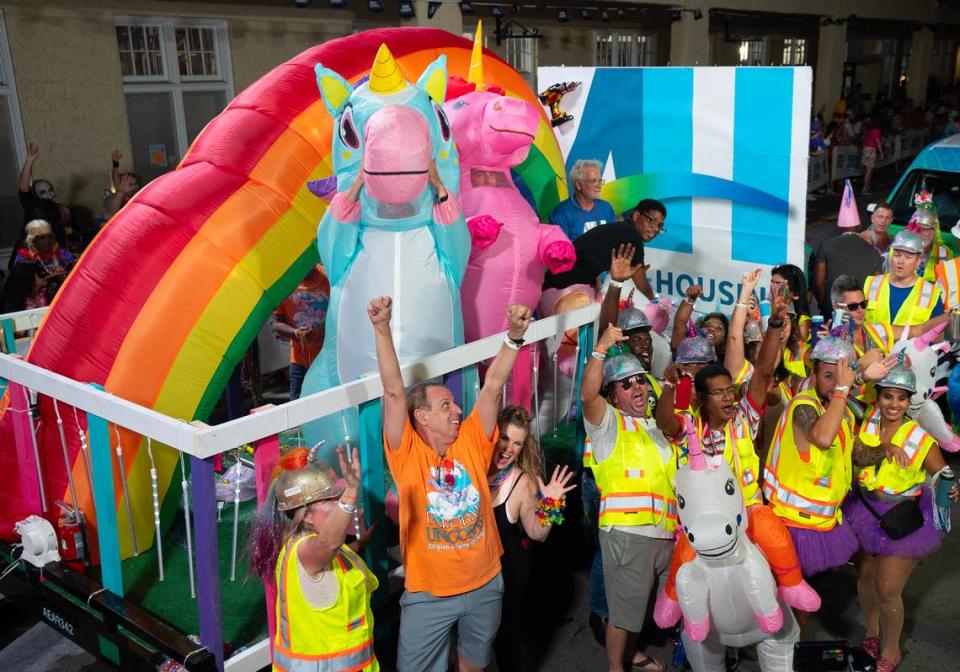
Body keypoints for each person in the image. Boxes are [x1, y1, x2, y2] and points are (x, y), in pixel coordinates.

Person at [373, 296, 532, 672]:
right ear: (422, 417)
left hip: (486, 584)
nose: (458, 409)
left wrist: (513, 337)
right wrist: (381, 329)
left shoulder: (473, 442)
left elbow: (492, 387)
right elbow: (395, 392)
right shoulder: (406, 454)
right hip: (430, 594)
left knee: (474, 664)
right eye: (446, 406)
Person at [655, 281, 821, 617]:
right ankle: (675, 611)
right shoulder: (689, 427)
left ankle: (790, 587)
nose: (730, 397)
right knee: (692, 580)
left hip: (748, 518)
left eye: (731, 390)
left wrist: (774, 324)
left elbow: (761, 373)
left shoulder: (745, 418)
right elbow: (664, 422)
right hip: (706, 526)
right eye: (719, 393)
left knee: (764, 563)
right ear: (702, 398)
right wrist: (672, 387)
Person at [843, 364, 959, 671]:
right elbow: (841, 398)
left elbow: (944, 474)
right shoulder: (867, 419)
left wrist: (952, 489)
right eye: (888, 397)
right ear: (878, 397)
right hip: (864, 511)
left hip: (902, 521)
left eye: (902, 398)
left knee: (887, 589)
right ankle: (872, 630)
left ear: (910, 402)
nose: (894, 404)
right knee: (865, 576)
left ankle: (891, 650)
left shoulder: (921, 438)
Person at [581, 327, 679, 672]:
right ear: (613, 396)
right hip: (627, 532)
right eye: (626, 384)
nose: (637, 387)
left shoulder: (656, 427)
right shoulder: (608, 424)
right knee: (623, 614)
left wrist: (668, 386)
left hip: (663, 533)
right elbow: (587, 395)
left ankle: (630, 656)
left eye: (639, 380)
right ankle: (615, 668)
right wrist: (600, 350)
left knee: (639, 608)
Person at [248, 445, 379, 672]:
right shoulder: (304, 550)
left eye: (339, 497)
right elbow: (329, 544)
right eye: (331, 500)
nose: (340, 505)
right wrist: (351, 492)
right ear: (307, 516)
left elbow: (336, 557)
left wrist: (360, 543)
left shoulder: (323, 549)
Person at [762, 335, 861, 608]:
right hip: (789, 524)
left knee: (804, 603)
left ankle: (794, 649)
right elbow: (822, 437)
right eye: (828, 375)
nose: (833, 383)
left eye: (839, 376)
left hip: (823, 524)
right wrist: (842, 388)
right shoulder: (802, 405)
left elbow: (858, 453)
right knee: (775, 600)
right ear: (814, 376)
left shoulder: (844, 412)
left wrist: (888, 448)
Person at [488, 405, 576, 672]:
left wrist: (552, 502)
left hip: (509, 573)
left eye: (517, 443)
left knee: (504, 637)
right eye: (504, 438)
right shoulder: (474, 469)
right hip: (476, 570)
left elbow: (538, 534)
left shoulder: (522, 483)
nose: (508, 449)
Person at [541, 199, 667, 312]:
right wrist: (656, 305)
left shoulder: (621, 230)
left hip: (552, 289)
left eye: (660, 226)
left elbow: (590, 258)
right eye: (651, 221)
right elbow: (642, 285)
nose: (655, 229)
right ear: (636, 216)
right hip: (563, 293)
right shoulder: (632, 238)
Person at [271, 264, 331, 400]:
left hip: (329, 357)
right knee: (297, 406)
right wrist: (296, 333)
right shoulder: (285, 285)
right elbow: (276, 323)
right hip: (300, 361)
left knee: (330, 403)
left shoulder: (329, 277)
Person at [864, 229, 944, 327]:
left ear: (918, 261)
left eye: (908, 257)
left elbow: (937, 334)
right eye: (897, 255)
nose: (900, 261)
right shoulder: (871, 284)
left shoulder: (931, 293)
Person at [812, 228, 883, 316]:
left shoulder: (826, 245)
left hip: (831, 310)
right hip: (860, 312)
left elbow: (819, 283)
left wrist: (824, 304)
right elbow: (876, 288)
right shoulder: (874, 253)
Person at [9, 219, 74, 309]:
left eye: (49, 237)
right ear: (33, 240)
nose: (47, 241)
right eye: (42, 238)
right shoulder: (24, 259)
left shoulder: (62, 254)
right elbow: (22, 286)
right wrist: (49, 278)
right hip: (36, 303)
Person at [549, 159, 617, 242]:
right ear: (578, 185)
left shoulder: (606, 208)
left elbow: (613, 239)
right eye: (593, 181)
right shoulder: (561, 213)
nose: (599, 186)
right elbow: (562, 250)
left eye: (600, 181)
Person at [861, 118, 883, 194]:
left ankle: (867, 186)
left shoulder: (867, 131)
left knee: (867, 170)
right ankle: (865, 188)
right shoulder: (875, 130)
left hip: (865, 149)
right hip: (871, 150)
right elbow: (878, 142)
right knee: (869, 170)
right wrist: (881, 152)